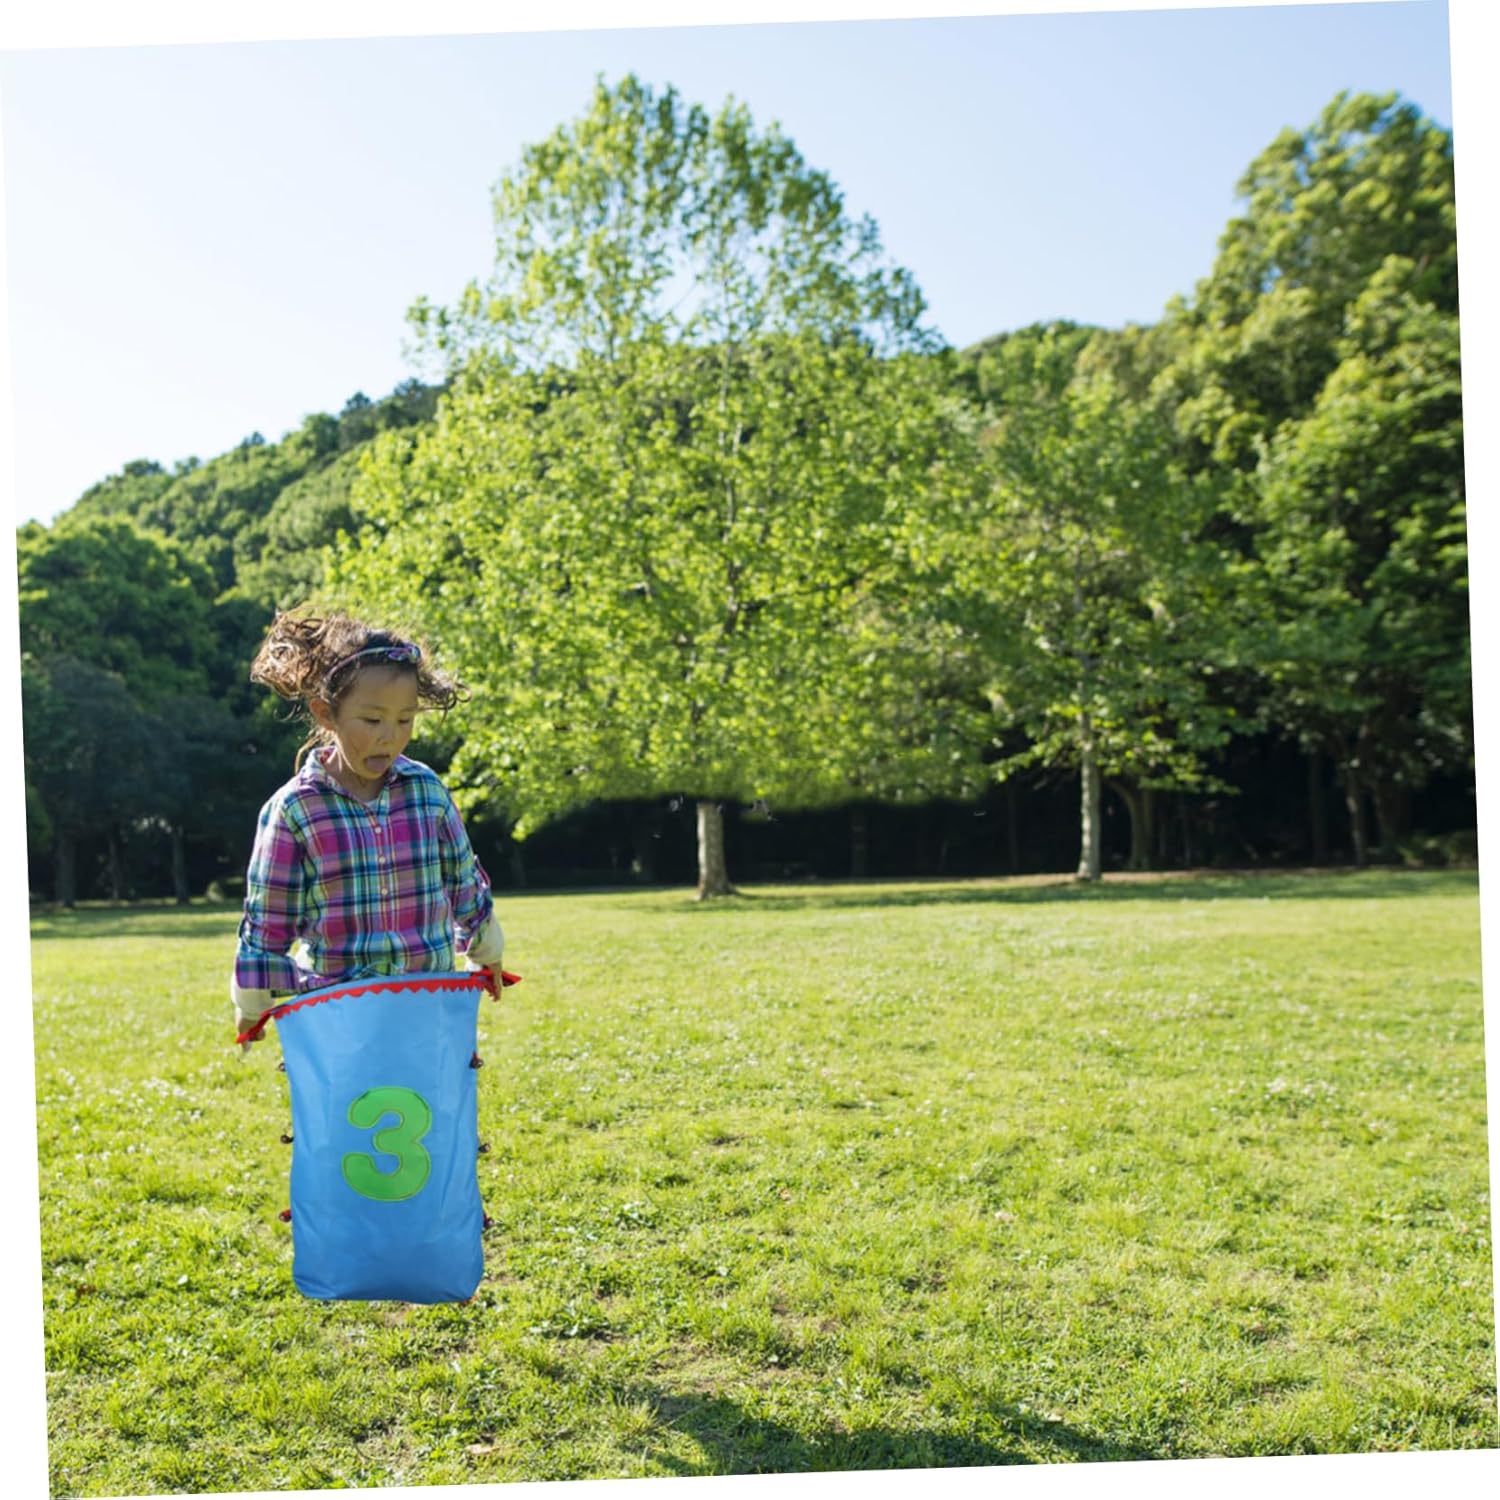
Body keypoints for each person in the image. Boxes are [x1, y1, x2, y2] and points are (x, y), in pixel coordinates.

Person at [230, 609, 505, 1048]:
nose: (389, 736)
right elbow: (269, 921)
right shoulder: (296, 809)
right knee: (355, 1098)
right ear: (326, 713)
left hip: (427, 1008)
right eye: (373, 720)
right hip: (340, 1019)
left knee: (427, 1095)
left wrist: (486, 951)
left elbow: (463, 883)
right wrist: (251, 1003)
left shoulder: (427, 792)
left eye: (405, 719)